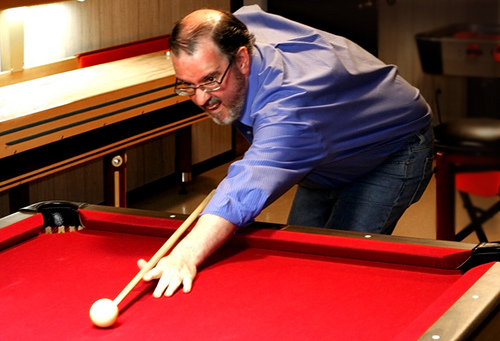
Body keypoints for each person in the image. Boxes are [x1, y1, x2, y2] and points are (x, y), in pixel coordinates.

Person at [138, 5, 434, 297]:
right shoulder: (238, 29)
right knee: (295, 260)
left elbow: (247, 184)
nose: (201, 98)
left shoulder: (292, 111)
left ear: (242, 58)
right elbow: (250, 12)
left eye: (211, 80)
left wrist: (185, 254)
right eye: (188, 85)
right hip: (326, 154)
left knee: (335, 273)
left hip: (392, 149)